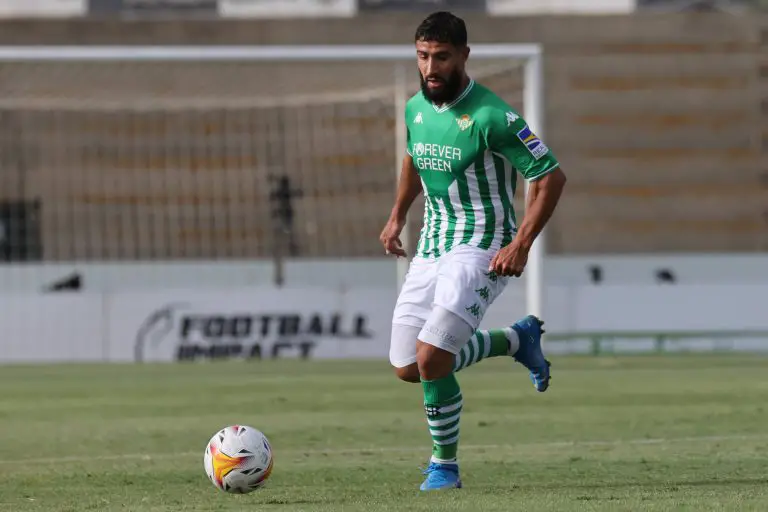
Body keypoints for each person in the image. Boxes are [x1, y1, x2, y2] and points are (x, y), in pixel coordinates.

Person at [379, 11, 567, 492]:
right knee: (407, 366)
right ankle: (514, 341)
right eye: (423, 56)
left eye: (441, 57)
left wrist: (520, 244)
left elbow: (549, 177)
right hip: (433, 244)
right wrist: (399, 213)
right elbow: (413, 157)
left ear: (464, 55)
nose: (430, 67)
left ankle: (445, 467)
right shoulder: (416, 107)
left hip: (482, 245)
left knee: (431, 361)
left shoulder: (492, 116)